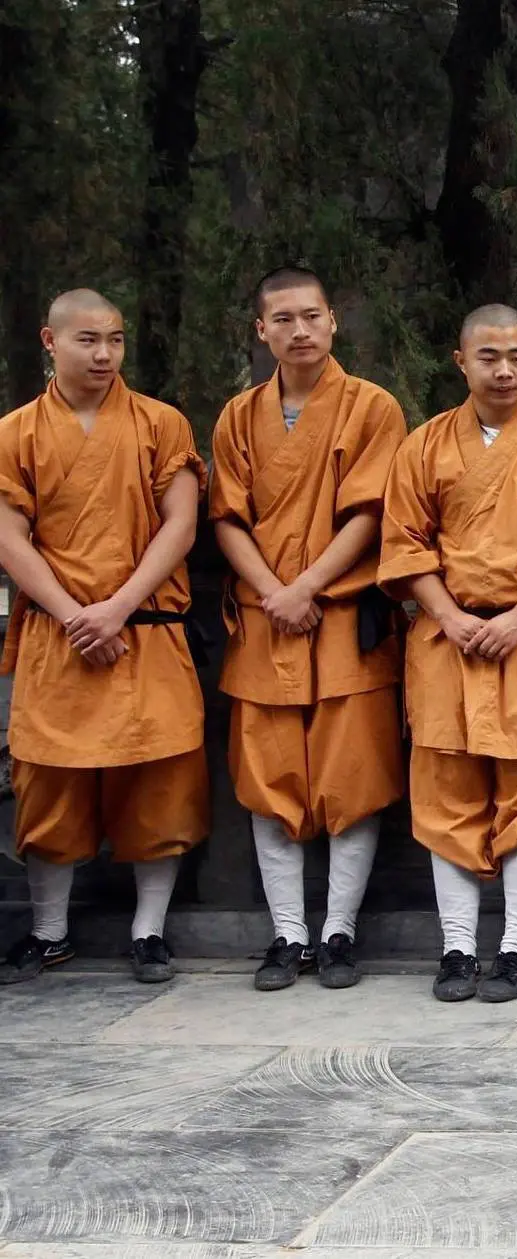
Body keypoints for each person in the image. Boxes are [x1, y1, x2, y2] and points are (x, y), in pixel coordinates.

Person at [378, 305, 517, 1004]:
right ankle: (456, 949)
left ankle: (515, 948)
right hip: (446, 642)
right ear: (461, 361)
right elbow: (405, 542)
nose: (504, 371)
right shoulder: (424, 445)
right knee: (447, 794)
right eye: (489, 358)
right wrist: (444, 613)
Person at [0, 289, 209, 986]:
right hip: (60, 637)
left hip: (142, 629)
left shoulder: (158, 422)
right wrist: (73, 615)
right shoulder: (15, 433)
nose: (104, 354)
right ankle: (49, 929)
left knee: (158, 784)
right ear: (49, 341)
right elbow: (9, 536)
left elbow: (179, 525)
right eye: (88, 340)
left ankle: (149, 930)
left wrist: (116, 608)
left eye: (115, 340)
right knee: (47, 784)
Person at [209, 268, 406, 992]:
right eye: (283, 319)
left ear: (333, 323)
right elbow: (226, 517)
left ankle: (339, 931)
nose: (299, 331)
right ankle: (288, 932)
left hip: (341, 617)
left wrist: (307, 586)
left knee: (350, 779)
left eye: (312, 317)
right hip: (267, 622)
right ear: (261, 330)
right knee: (269, 781)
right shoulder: (237, 417)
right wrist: (273, 591)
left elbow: (372, 512)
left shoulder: (372, 408)